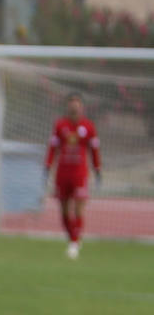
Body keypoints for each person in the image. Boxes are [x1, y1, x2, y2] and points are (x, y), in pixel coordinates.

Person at [44, 92, 101, 260]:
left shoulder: (88, 127)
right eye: (71, 104)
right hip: (62, 173)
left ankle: (74, 242)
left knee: (78, 208)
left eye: (77, 104)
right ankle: (72, 238)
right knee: (63, 210)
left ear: (82, 106)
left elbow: (94, 150)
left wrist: (97, 169)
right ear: (68, 106)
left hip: (80, 173)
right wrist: (47, 166)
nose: (74, 107)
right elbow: (52, 148)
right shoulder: (60, 125)